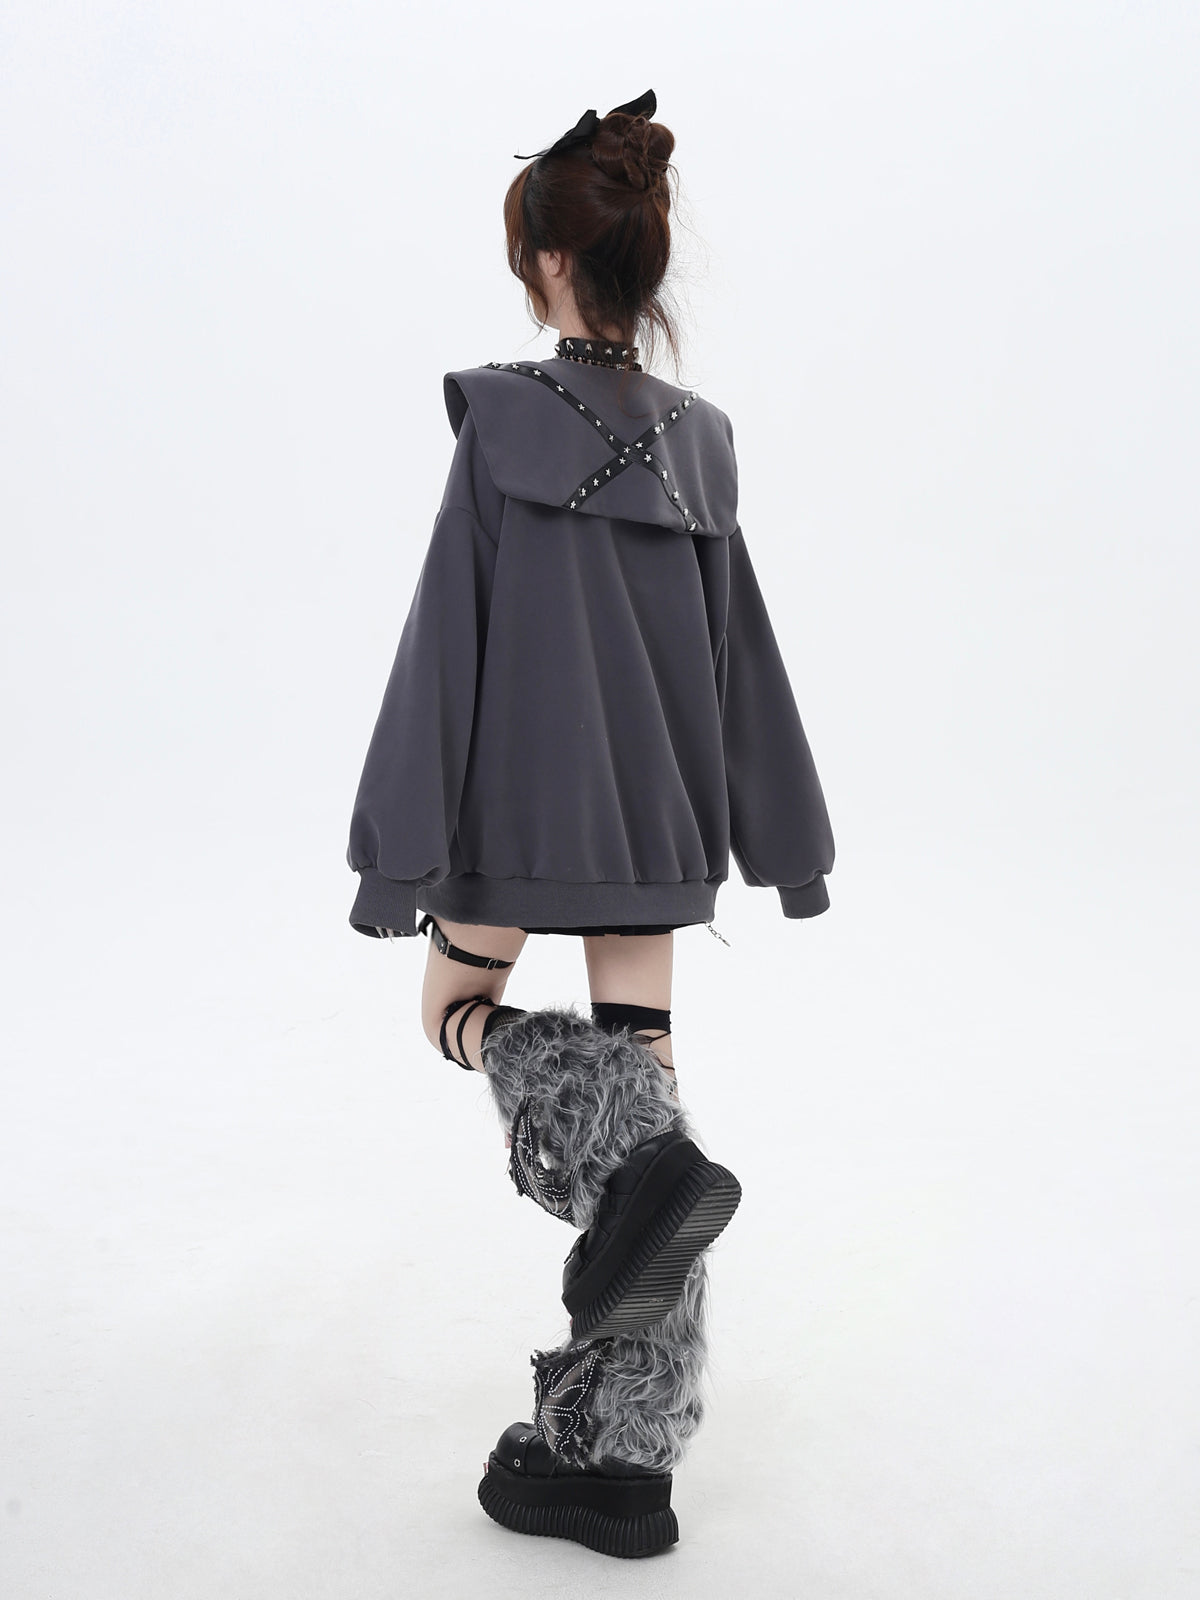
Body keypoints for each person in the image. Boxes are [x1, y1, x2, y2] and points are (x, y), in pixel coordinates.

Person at [344, 88, 835, 1558]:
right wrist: (787, 844)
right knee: (648, 1087)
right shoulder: (704, 441)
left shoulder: (501, 418)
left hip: (512, 811)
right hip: (657, 825)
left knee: (456, 1013)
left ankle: (635, 1180)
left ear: (552, 264)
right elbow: (744, 656)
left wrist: (399, 849)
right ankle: (627, 1456)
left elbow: (449, 635)